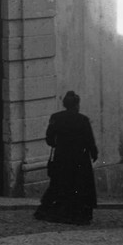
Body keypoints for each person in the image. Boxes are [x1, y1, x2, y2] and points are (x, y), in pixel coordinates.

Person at [34, 91, 99, 225]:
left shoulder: (56, 117)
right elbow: (89, 140)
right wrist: (93, 153)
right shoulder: (83, 119)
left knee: (60, 183)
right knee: (80, 185)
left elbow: (50, 138)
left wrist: (58, 144)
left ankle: (52, 211)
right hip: (80, 158)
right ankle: (79, 215)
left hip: (62, 156)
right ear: (76, 105)